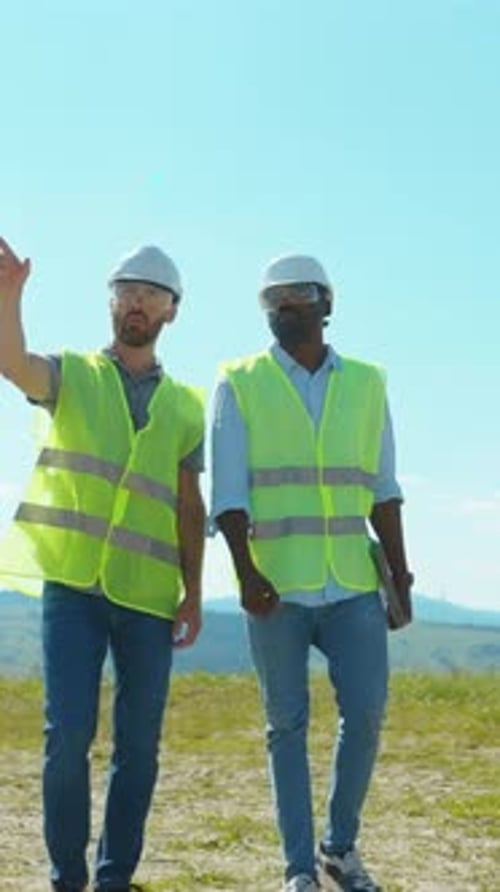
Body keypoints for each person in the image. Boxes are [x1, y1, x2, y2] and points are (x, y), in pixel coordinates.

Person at [0, 238, 205, 892]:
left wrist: (194, 593)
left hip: (148, 596)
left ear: (172, 311)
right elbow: (12, 363)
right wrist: (10, 297)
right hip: (74, 587)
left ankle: (114, 878)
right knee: (68, 738)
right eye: (127, 289)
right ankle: (67, 878)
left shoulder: (185, 408)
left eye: (151, 293)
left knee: (138, 750)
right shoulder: (74, 374)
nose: (137, 301)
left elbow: (187, 507)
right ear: (111, 301)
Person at [210, 254, 413, 892]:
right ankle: (298, 868)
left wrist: (399, 576)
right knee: (286, 726)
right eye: (272, 299)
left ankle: (339, 847)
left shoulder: (369, 382)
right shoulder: (238, 380)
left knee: (368, 711)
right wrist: (245, 574)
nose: (282, 307)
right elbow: (230, 493)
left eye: (296, 296)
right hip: (276, 585)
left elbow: (383, 487)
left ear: (327, 303)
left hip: (352, 581)